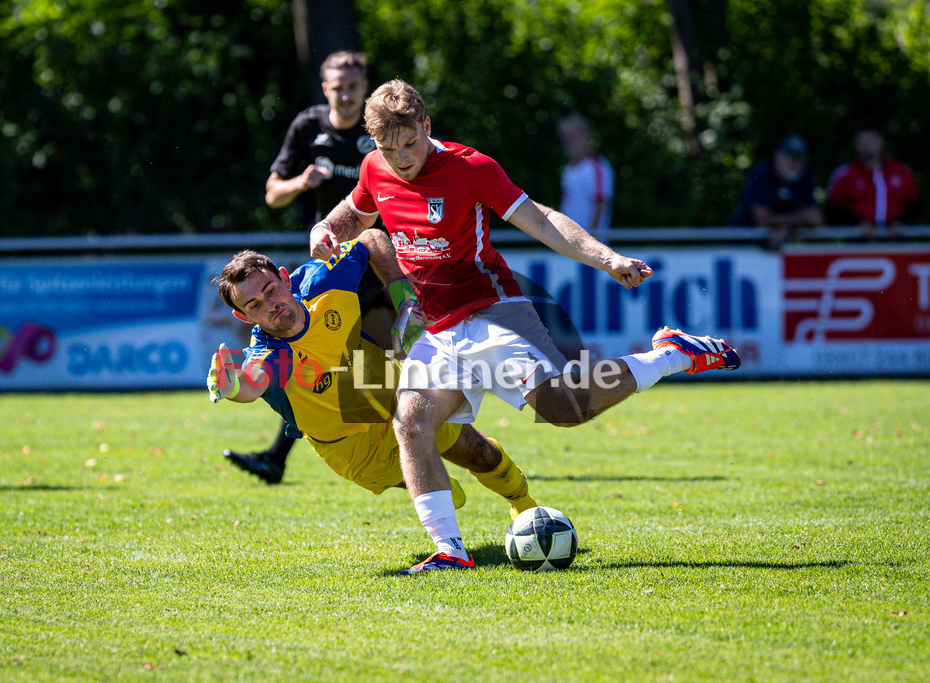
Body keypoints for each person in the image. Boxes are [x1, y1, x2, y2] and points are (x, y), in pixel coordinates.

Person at [310, 79, 743, 574]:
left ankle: (674, 353)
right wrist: (325, 229)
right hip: (436, 328)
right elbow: (351, 214)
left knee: (565, 409)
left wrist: (607, 259)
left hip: (491, 310)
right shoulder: (374, 168)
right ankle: (451, 551)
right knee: (411, 421)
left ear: (426, 127)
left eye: (410, 143)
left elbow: (543, 220)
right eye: (390, 149)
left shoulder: (471, 167)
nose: (402, 158)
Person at [207, 230, 539, 555]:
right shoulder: (270, 352)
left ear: (284, 278)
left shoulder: (325, 280)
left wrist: (404, 301)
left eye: (270, 290)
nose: (271, 305)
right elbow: (253, 383)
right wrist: (231, 386)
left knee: (478, 452)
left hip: (389, 392)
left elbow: (371, 238)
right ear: (243, 316)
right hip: (352, 447)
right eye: (255, 305)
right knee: (430, 481)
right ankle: (442, 513)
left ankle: (528, 510)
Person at [225, 50, 392, 484]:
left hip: (377, 258)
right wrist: (301, 182)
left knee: (379, 360)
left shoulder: (378, 130)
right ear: (326, 89)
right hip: (328, 265)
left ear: (365, 88)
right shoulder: (308, 127)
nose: (348, 95)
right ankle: (407, 441)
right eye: (339, 87)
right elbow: (271, 194)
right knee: (319, 360)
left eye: (355, 86)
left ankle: (422, 433)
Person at [826, 122, 921, 239]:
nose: (868, 144)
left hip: (896, 242)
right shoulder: (844, 175)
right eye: (863, 140)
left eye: (872, 139)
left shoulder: (901, 172)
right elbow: (834, 211)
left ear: (881, 140)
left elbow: (915, 205)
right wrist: (857, 224)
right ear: (855, 143)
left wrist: (901, 222)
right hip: (858, 243)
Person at [731, 134, 823, 249]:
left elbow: (816, 219)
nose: (795, 163)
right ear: (777, 156)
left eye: (799, 159)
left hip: (779, 248)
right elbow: (762, 220)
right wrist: (799, 218)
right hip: (745, 247)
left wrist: (782, 225)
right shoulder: (762, 174)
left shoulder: (805, 177)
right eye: (791, 157)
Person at [556, 114, 614, 242]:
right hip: (569, 244)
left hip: (591, 247)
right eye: (566, 139)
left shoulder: (596, 166)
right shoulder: (568, 170)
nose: (569, 144)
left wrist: (589, 241)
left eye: (573, 138)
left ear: (586, 137)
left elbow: (600, 203)